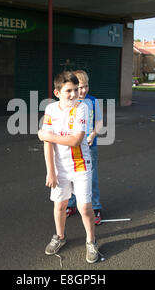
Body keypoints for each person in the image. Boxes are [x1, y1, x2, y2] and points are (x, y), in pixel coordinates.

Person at [38, 71, 99, 264]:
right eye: (68, 91)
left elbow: (75, 140)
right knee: (60, 205)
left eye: (75, 90)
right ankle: (60, 237)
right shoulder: (50, 110)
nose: (74, 94)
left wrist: (45, 135)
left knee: (85, 207)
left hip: (81, 166)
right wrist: (51, 171)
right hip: (59, 168)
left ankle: (91, 241)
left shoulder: (81, 108)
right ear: (57, 93)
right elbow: (48, 145)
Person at [65, 70, 103, 225]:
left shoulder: (93, 101)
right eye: (80, 87)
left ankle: (95, 207)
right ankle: (72, 204)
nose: (83, 90)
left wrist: (93, 135)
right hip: (72, 146)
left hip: (89, 146)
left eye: (86, 86)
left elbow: (99, 122)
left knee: (91, 178)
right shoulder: (68, 103)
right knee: (71, 176)